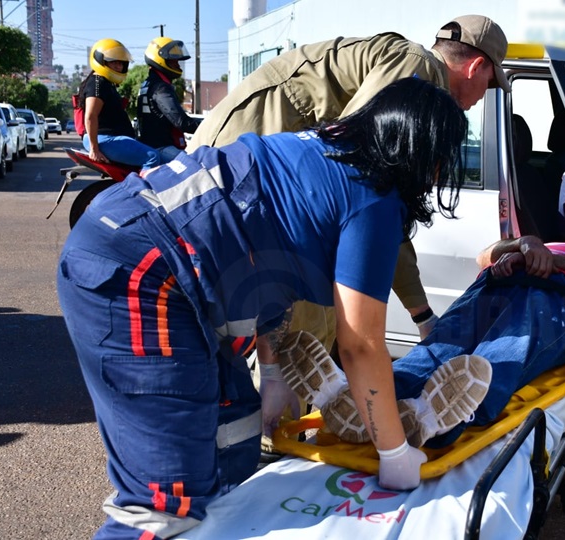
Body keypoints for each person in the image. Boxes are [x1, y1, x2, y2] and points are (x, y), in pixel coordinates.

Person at [56, 78, 471, 538]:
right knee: (164, 503)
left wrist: (271, 372)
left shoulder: (313, 148)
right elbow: (361, 345)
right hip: (140, 272)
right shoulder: (373, 196)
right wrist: (394, 453)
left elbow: (264, 252)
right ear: (419, 148)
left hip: (152, 255)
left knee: (235, 432)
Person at [189, 14, 511, 374]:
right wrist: (420, 314)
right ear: (476, 66)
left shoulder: (416, 76)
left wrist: (420, 312)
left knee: (305, 332)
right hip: (247, 170)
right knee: (303, 335)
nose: (485, 95)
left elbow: (381, 197)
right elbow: (364, 179)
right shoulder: (417, 68)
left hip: (245, 173)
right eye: (490, 83)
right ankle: (275, 425)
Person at [277, 235, 565, 448]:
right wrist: (523, 246)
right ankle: (353, 399)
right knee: (435, 349)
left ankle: (440, 419)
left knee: (498, 356)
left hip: (561, 297)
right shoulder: (544, 240)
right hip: (495, 283)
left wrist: (554, 262)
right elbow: (483, 256)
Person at [76, 38, 164, 169]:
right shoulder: (98, 83)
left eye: (121, 63)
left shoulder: (105, 83)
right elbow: (90, 116)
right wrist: (94, 149)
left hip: (108, 139)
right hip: (104, 139)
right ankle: (143, 189)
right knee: (152, 156)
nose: (119, 66)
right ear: (101, 60)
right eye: (113, 62)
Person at [137, 37, 202, 161]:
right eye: (173, 61)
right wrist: (210, 124)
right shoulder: (160, 87)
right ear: (161, 60)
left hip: (147, 144)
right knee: (196, 168)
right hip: (160, 147)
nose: (178, 65)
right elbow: (181, 122)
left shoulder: (148, 83)